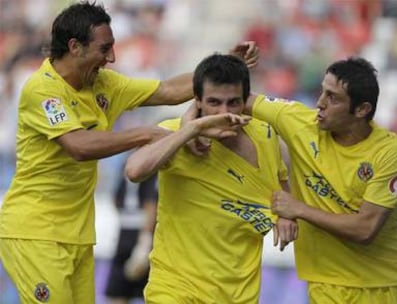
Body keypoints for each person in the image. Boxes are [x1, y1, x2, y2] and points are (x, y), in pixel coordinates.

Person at [0, 2, 259, 303]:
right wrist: (147, 134)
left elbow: (168, 91)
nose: (111, 58)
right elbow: (79, 146)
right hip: (35, 231)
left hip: (78, 234)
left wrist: (225, 64)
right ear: (75, 47)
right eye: (104, 48)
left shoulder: (105, 84)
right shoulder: (42, 91)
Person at [124, 54, 297, 303]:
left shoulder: (265, 135)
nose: (224, 113)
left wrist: (285, 214)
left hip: (239, 292)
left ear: (245, 101)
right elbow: (134, 170)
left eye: (233, 103)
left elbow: (280, 182)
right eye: (214, 102)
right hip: (176, 288)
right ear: (198, 101)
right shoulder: (178, 134)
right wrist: (191, 130)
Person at [244, 57, 397, 303]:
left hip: (382, 287)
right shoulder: (300, 121)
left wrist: (298, 209)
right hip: (324, 286)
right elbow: (232, 96)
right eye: (323, 92)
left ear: (362, 109)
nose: (320, 103)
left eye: (333, 98)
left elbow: (365, 229)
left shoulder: (390, 151)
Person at [105, 167, 158, 304]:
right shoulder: (128, 161)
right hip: (127, 233)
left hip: (140, 233)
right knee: (117, 292)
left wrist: (145, 241)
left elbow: (151, 203)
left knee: (146, 292)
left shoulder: (150, 160)